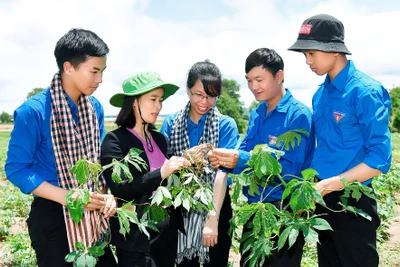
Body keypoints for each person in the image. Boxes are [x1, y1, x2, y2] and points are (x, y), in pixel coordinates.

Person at [5, 29, 117, 267]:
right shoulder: (33, 111)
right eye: (94, 71)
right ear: (69, 68)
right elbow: (16, 169)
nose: (100, 80)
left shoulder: (94, 107)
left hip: (92, 212)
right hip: (53, 215)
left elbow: (100, 159)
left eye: (102, 72)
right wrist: (68, 197)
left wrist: (107, 195)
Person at [288, 14, 392, 267]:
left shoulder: (365, 91)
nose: (308, 61)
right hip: (323, 198)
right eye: (304, 55)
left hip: (352, 199)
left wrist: (330, 185)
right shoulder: (320, 95)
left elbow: (379, 158)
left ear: (334, 50)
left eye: (311, 53)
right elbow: (321, 150)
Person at [208, 48, 315, 267]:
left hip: (285, 212)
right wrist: (227, 159)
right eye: (249, 80)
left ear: (279, 76)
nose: (253, 87)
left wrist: (241, 159)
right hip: (254, 209)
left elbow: (289, 171)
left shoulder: (298, 115)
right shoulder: (257, 113)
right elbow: (245, 151)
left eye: (259, 79)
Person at [101, 72, 190, 267]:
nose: (159, 106)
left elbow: (170, 183)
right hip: (138, 239)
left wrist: (187, 163)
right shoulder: (115, 141)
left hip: (166, 235)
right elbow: (121, 189)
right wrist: (162, 172)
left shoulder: (159, 139)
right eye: (153, 99)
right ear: (134, 102)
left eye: (160, 100)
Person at [160, 60, 240, 266]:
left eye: (211, 96)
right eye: (198, 94)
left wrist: (212, 217)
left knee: (217, 261)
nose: (204, 102)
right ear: (188, 91)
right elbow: (163, 166)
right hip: (180, 207)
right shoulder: (172, 123)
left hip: (217, 203)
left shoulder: (225, 125)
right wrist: (186, 159)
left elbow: (222, 173)